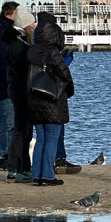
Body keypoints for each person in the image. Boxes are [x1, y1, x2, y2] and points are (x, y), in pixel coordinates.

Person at [26, 11, 75, 186]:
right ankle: (47, 175)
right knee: (52, 138)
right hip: (53, 98)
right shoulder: (53, 52)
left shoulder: (31, 51)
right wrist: (69, 89)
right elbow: (64, 74)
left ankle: (36, 175)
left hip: (34, 97)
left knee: (41, 138)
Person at [3, 7, 37, 182]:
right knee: (21, 129)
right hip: (20, 89)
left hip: (17, 88)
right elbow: (22, 68)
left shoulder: (16, 40)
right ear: (25, 24)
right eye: (32, 22)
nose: (34, 25)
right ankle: (15, 169)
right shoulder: (19, 43)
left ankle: (23, 167)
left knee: (25, 130)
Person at [0, 0, 19, 170]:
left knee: (11, 120)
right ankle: (3, 155)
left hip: (8, 79)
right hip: (6, 80)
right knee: (7, 119)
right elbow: (0, 56)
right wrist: (9, 77)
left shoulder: (3, 26)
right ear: (11, 13)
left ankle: (8, 153)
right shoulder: (1, 27)